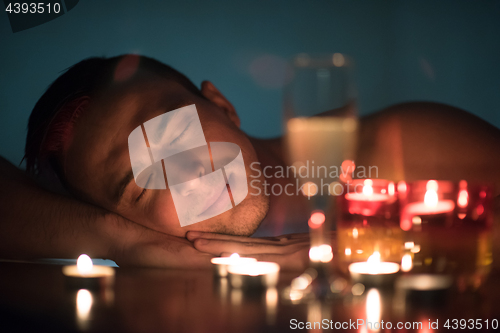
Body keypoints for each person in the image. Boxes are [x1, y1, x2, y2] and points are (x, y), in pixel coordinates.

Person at [1, 54, 499, 270]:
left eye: (176, 129)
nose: (186, 170)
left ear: (221, 105)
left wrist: (372, 252)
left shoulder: (397, 147)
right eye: (142, 187)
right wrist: (121, 244)